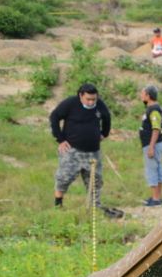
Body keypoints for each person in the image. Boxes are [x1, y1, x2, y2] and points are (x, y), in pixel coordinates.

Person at [48, 83, 123, 218]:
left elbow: (107, 118)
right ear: (81, 96)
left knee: (95, 181)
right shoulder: (70, 104)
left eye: (93, 99)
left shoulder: (100, 105)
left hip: (93, 152)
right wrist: (60, 139)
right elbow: (54, 117)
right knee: (63, 178)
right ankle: (58, 205)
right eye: (88, 99)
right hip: (72, 151)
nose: (91, 102)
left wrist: (104, 134)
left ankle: (95, 208)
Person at [139, 84, 162, 207]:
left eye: (142, 93)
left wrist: (151, 146)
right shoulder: (153, 108)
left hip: (153, 145)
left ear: (148, 96)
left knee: (152, 170)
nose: (141, 95)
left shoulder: (154, 110)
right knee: (157, 169)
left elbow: (156, 128)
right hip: (156, 144)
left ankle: (155, 199)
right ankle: (157, 197)